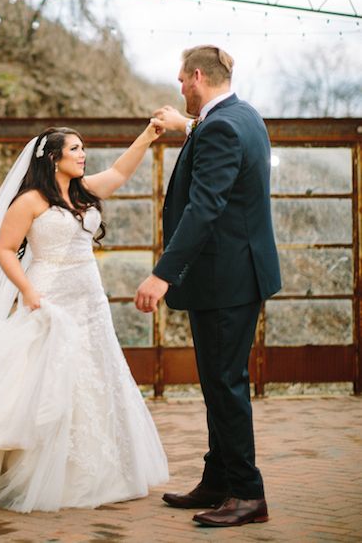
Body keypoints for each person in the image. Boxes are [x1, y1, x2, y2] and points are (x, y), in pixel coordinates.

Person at [0, 125, 168, 513]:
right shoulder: (30, 200)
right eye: (75, 149)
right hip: (50, 297)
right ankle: (36, 475)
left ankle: (104, 472)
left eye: (83, 148)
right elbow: (6, 248)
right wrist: (27, 290)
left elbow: (119, 173)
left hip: (90, 300)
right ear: (53, 157)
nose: (82, 155)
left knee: (97, 374)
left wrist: (148, 136)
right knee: (47, 379)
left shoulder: (83, 192)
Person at [135, 45, 281, 529]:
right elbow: (216, 135)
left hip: (225, 279)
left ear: (197, 76)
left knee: (224, 384)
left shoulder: (220, 126)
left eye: (181, 80)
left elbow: (204, 207)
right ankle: (217, 479)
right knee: (221, 381)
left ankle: (246, 493)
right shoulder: (244, 116)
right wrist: (186, 125)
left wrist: (162, 273)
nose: (179, 88)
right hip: (240, 273)